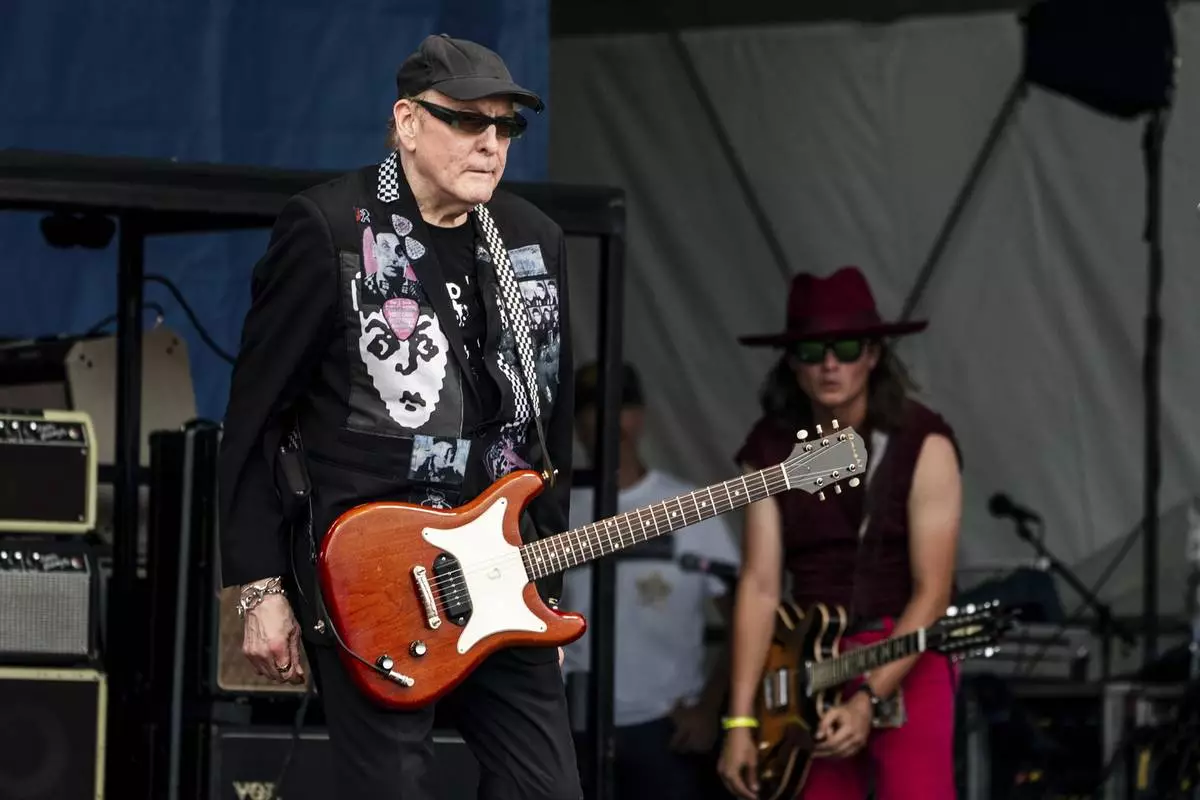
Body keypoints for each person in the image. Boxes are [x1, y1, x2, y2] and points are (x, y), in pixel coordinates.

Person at [217, 34, 581, 800]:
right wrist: (258, 586)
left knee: (544, 788)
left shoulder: (533, 241)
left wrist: (544, 588)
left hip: (501, 565)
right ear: (408, 121)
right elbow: (254, 416)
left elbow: (550, 424)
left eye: (506, 127)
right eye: (467, 122)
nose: (490, 143)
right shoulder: (328, 229)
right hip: (370, 572)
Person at [717, 266, 963, 800]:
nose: (830, 363)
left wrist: (869, 699)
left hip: (904, 648)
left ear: (873, 354)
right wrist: (739, 724)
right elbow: (759, 586)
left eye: (847, 347)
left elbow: (933, 593)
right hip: (809, 664)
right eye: (811, 351)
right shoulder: (768, 448)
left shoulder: (924, 442)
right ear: (792, 363)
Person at [561, 362, 740, 800]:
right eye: (590, 407)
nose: (604, 420)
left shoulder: (689, 506)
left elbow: (745, 617)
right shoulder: (555, 510)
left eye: (618, 406)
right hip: (572, 727)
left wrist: (710, 708)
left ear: (639, 415)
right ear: (576, 422)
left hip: (667, 729)